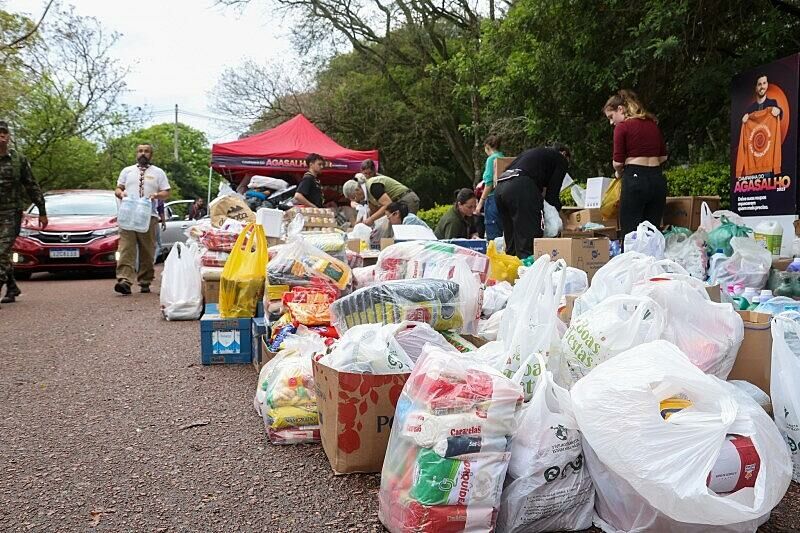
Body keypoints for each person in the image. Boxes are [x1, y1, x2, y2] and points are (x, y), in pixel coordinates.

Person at [603, 90, 668, 239]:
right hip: (657, 180)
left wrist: (619, 173)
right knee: (651, 232)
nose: (611, 122)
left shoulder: (622, 127)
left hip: (635, 178)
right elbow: (663, 156)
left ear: (621, 109)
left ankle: (631, 262)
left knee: (630, 232)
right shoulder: (652, 124)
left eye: (611, 117)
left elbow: (618, 162)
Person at [0, 120, 47, 308]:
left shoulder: (18, 159)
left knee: (1, 252)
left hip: (11, 212)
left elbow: (31, 185)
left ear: (9, 136)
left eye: (4, 133)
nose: (1, 136)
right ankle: (12, 287)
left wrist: (41, 210)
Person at [494, 145, 570, 258]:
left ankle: (512, 271)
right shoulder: (560, 159)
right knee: (528, 241)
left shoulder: (533, 155)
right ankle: (529, 272)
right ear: (564, 153)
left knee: (511, 242)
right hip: (520, 187)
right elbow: (552, 197)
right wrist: (566, 224)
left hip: (500, 188)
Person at [114, 143, 171, 295]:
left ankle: (145, 281)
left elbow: (166, 192)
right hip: (128, 215)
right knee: (126, 248)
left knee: (147, 249)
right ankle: (124, 280)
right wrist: (121, 194)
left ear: (151, 155)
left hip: (149, 216)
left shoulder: (158, 173)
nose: (143, 154)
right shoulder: (127, 171)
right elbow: (118, 188)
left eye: (146, 151)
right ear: (136, 154)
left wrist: (157, 196)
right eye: (140, 151)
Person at [341, 159, 420, 225]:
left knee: (406, 226)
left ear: (357, 190)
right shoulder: (367, 193)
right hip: (398, 202)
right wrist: (362, 222)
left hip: (406, 199)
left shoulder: (372, 186)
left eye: (354, 197)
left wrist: (371, 219)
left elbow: (388, 204)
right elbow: (374, 210)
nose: (357, 200)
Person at [475, 135, 504, 241]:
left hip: (492, 199)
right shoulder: (503, 157)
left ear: (487, 146)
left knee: (493, 235)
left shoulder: (491, 159)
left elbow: (489, 183)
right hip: (503, 198)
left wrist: (480, 203)